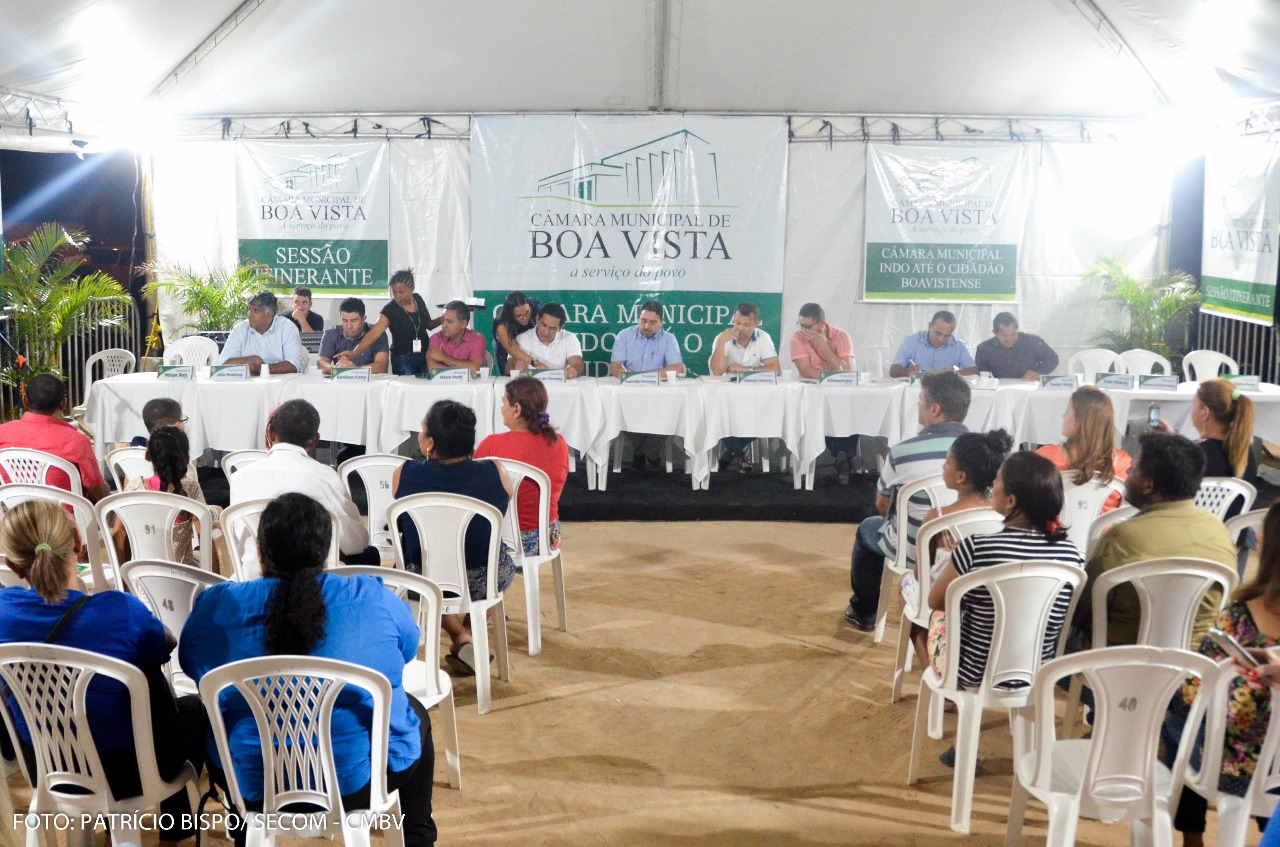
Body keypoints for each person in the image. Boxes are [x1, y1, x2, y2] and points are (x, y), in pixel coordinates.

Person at [179, 493, 436, 847]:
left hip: (252, 784)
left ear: (259, 551)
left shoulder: (216, 606)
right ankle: (419, 836)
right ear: (325, 550)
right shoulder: (372, 598)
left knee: (216, 719)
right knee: (415, 714)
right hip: (355, 784)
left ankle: (245, 836)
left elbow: (192, 667)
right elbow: (406, 650)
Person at [0, 499, 206, 841]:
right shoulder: (121, 611)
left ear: (12, 564)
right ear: (78, 543)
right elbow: (162, 649)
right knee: (191, 709)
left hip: (44, 766)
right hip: (128, 771)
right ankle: (176, 823)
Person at [1164, 500, 1280, 847]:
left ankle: (1192, 837)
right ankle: (1266, 827)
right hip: (1276, 769)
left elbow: (1193, 691)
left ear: (1266, 543)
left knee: (1179, 721)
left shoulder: (1237, 618)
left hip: (1229, 768)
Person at [925, 451, 1083, 689]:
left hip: (974, 674)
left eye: (997, 481)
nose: (993, 486)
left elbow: (935, 601)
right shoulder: (1070, 554)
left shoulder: (977, 547)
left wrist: (957, 560)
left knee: (936, 616)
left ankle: (946, 693)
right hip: (1038, 675)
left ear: (1011, 501)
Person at [1073, 432, 1237, 648]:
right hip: (1193, 664)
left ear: (1148, 486)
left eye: (1134, 466)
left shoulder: (1122, 538)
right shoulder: (1219, 531)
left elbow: (1082, 612)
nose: (1129, 471)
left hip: (1117, 662)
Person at [392, 401, 514, 674]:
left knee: (425, 574)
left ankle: (461, 636)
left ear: (430, 443)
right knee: (498, 560)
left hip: (425, 579)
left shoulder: (404, 474)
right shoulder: (496, 471)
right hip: (484, 579)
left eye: (422, 430)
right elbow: (504, 502)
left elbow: (401, 520)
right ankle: (470, 634)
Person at [845, 370, 971, 631]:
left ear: (934, 409)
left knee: (869, 528)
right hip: (968, 550)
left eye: (921, 400)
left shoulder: (903, 453)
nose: (918, 405)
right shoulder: (984, 451)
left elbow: (882, 505)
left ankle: (865, 611)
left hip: (914, 551)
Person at [900, 429, 1012, 668]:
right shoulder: (1003, 514)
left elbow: (922, 576)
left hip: (947, 602)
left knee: (905, 589)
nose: (943, 466)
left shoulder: (936, 518)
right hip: (991, 601)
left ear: (961, 476)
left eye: (948, 461)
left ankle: (934, 670)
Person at [228, 399, 378, 576]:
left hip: (254, 576)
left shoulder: (240, 478)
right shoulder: (326, 477)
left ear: (270, 431)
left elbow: (237, 542)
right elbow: (355, 543)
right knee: (370, 555)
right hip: (315, 584)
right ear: (315, 440)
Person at [475, 377, 569, 555]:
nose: (502, 408)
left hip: (505, 541)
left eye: (504, 403)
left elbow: (475, 490)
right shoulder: (560, 443)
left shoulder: (492, 445)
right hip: (549, 538)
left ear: (516, 409)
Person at [118, 425, 218, 569]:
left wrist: (126, 579)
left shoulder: (134, 488)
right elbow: (204, 534)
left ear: (147, 456)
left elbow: (118, 532)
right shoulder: (190, 489)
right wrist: (215, 581)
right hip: (185, 579)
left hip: (143, 576)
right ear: (187, 460)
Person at [0, 373, 109, 503]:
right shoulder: (76, 442)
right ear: (63, 404)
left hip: (19, 518)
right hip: (64, 521)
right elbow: (99, 495)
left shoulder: (3, 433)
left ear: (25, 401)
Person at [609, 300, 685, 472]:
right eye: (643, 321)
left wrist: (642, 376)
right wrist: (629, 376)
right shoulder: (624, 335)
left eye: (652, 322)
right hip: (630, 393)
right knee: (619, 409)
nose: (647, 326)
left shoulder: (668, 339)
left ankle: (643, 450)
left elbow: (677, 368)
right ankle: (650, 452)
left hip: (658, 395)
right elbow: (615, 366)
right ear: (638, 319)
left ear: (661, 323)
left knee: (671, 410)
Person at [710, 302, 782, 473]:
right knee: (719, 414)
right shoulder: (723, 338)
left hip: (755, 397)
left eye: (745, 324)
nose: (739, 327)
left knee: (768, 411)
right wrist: (721, 343)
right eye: (736, 322)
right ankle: (741, 451)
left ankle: (733, 449)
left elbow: (775, 369)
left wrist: (747, 370)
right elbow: (717, 371)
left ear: (756, 324)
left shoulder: (763, 337)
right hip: (728, 398)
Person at [789, 303, 858, 480]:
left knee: (848, 407)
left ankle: (843, 455)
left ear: (821, 324)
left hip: (840, 392)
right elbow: (805, 370)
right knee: (823, 408)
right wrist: (834, 375)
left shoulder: (841, 336)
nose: (804, 330)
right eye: (801, 325)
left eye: (808, 326)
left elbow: (848, 372)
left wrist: (824, 347)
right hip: (811, 391)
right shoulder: (797, 338)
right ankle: (845, 456)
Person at [1036, 386, 1132, 512]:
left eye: (1067, 411)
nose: (1063, 416)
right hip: (1105, 531)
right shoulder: (1124, 463)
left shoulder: (1045, 457)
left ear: (1080, 420)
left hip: (1056, 530)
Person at [334, 269, 441, 376]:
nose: (397, 296)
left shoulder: (418, 299)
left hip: (424, 355)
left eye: (401, 292)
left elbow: (429, 325)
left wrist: (443, 318)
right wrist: (354, 352)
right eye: (394, 292)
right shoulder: (389, 310)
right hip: (404, 359)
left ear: (412, 289)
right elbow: (374, 333)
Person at [218, 291, 305, 375]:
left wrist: (261, 369)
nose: (250, 315)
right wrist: (252, 359)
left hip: (281, 386)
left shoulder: (287, 328)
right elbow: (222, 364)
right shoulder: (240, 330)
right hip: (247, 386)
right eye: (250, 310)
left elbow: (293, 365)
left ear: (269, 314)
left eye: (256, 311)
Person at [889, 310, 979, 377]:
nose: (941, 339)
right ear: (929, 326)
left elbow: (975, 371)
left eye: (947, 336)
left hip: (947, 394)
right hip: (916, 392)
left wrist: (957, 372)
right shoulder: (911, 341)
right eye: (938, 333)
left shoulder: (959, 346)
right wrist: (907, 372)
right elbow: (893, 371)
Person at [973, 312, 1059, 380]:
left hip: (1030, 388)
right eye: (1004, 336)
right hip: (1001, 392)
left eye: (1013, 334)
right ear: (994, 332)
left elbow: (1052, 358)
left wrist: (1038, 372)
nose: (1009, 339)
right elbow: (983, 375)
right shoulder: (984, 349)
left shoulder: (1032, 341)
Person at [316, 296, 390, 374]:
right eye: (344, 321)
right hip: (339, 382)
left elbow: (382, 367)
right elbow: (321, 362)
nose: (349, 326)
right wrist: (335, 369)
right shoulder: (331, 334)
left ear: (364, 319)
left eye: (354, 321)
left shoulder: (377, 334)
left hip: (370, 383)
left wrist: (355, 369)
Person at [515, 302, 585, 378]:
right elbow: (509, 366)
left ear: (561, 328)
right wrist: (516, 367)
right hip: (530, 387)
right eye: (543, 325)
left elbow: (577, 364)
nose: (546, 332)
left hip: (560, 387)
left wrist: (574, 371)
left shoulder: (570, 338)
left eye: (552, 328)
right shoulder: (522, 338)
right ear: (537, 319)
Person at [427, 300, 487, 374]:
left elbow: (474, 368)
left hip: (470, 385)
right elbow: (433, 370)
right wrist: (464, 369)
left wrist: (443, 358)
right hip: (442, 385)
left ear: (463, 324)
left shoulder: (477, 339)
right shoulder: (436, 338)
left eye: (449, 322)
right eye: (443, 320)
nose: (443, 325)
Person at [491, 291, 540, 376]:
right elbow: (513, 349)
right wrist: (535, 363)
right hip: (505, 349)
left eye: (527, 312)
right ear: (511, 314)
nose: (524, 317)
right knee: (508, 377)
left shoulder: (534, 304)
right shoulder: (501, 323)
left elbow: (547, 320)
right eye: (519, 315)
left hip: (530, 343)